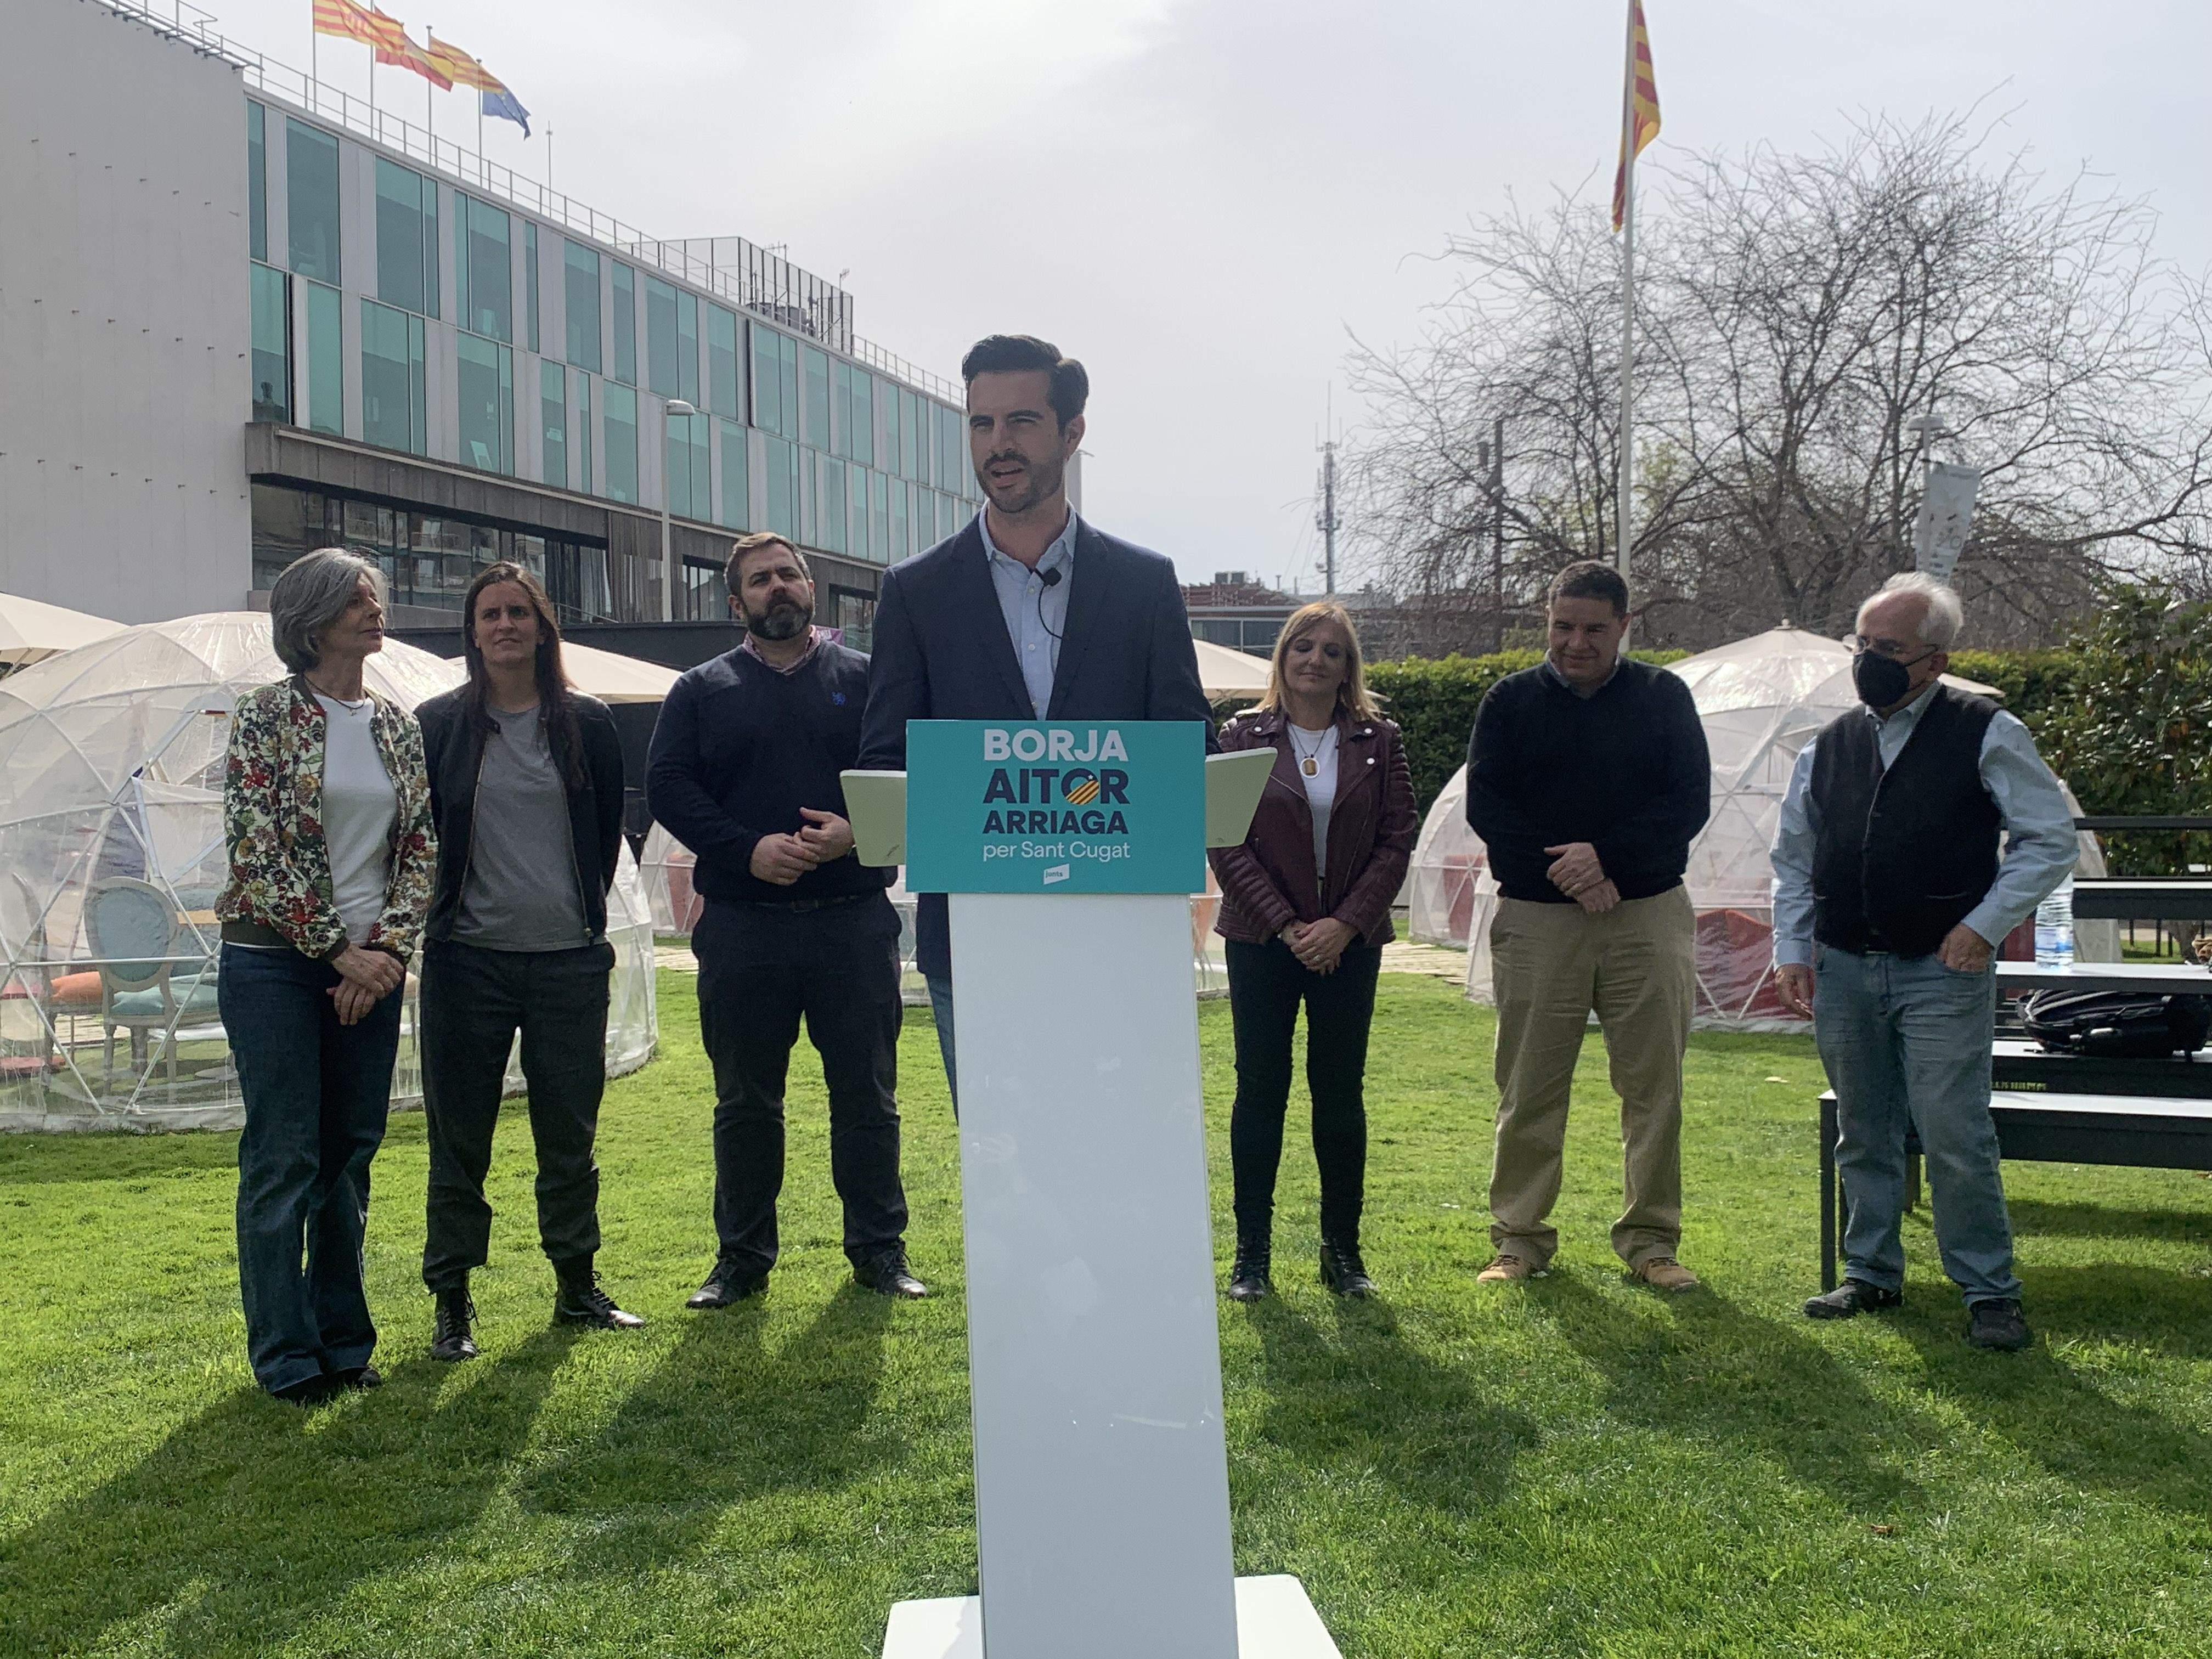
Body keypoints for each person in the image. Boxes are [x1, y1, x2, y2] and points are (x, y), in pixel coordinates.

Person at [858, 333, 1214, 1098]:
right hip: (978, 940)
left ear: (1073, 431)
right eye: (981, 424)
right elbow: (889, 761)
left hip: (1121, 934)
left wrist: (1065, 802)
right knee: (1004, 1177)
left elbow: (1186, 757)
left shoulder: (1145, 586)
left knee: (1123, 1154)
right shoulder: (915, 593)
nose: (999, 445)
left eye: (1021, 421)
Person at [1773, 573, 2076, 1351]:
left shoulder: (1987, 730)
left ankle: (1989, 1291)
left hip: (1944, 972)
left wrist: (1983, 925)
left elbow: (2048, 839)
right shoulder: (1829, 745)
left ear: (1935, 662)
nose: (1870, 660)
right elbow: (1794, 857)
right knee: (1865, 1130)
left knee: (1953, 1133)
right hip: (1843, 964)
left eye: (1890, 649)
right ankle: (1870, 1273)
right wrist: (1792, 949)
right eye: (1863, 645)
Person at [648, 533, 923, 1307]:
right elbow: (669, 788)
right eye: (760, 581)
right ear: (737, 603)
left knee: (868, 1097)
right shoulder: (701, 690)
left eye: (789, 575)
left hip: (852, 922)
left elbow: (908, 772)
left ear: (812, 590)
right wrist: (746, 850)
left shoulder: (871, 681)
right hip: (744, 928)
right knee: (744, 1104)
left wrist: (857, 833)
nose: (779, 588)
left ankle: (879, 1251)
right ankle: (740, 1259)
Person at [216, 549, 436, 1405]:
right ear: (310, 619)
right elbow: (256, 848)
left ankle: (345, 1340)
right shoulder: (266, 715)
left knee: (349, 1156)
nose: (374, 610)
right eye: (357, 599)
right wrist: (336, 950)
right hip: (275, 964)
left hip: (368, 969)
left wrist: (383, 955)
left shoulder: (396, 725)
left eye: (374, 597)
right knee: (284, 1156)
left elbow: (420, 846)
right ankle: (286, 1355)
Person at [413, 562, 641, 1362]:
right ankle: (453, 1304)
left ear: (543, 628)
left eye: (519, 612)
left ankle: (577, 1288)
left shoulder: (586, 721)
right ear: (472, 633)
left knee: (568, 1138)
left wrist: (575, 918)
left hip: (568, 963)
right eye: (489, 615)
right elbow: (421, 834)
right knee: (460, 1141)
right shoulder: (438, 724)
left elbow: (605, 830)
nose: (505, 625)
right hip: (465, 964)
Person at [1465, 560, 1711, 1291]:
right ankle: (1519, 1239)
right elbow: (1492, 812)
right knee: (1532, 1086)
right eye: (1562, 625)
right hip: (1540, 920)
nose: (1575, 642)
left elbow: (1685, 802)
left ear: (1624, 628)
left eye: (1593, 630)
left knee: (1653, 1086)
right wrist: (1570, 873)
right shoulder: (1509, 703)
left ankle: (1651, 1241)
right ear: (1547, 619)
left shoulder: (1664, 698)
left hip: (1645, 915)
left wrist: (1605, 860)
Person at [1209, 603, 1417, 1301]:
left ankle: (1343, 1254)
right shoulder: (1240, 735)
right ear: (1282, 657)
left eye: (1332, 651)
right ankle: (1252, 1258)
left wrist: (1345, 925)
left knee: (1339, 1097)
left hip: (1349, 947)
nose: (1315, 660)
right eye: (1303, 647)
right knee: (1260, 1093)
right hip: (1263, 942)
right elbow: (1224, 839)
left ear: (1348, 667)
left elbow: (1396, 843)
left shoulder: (1379, 741)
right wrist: (1288, 925)